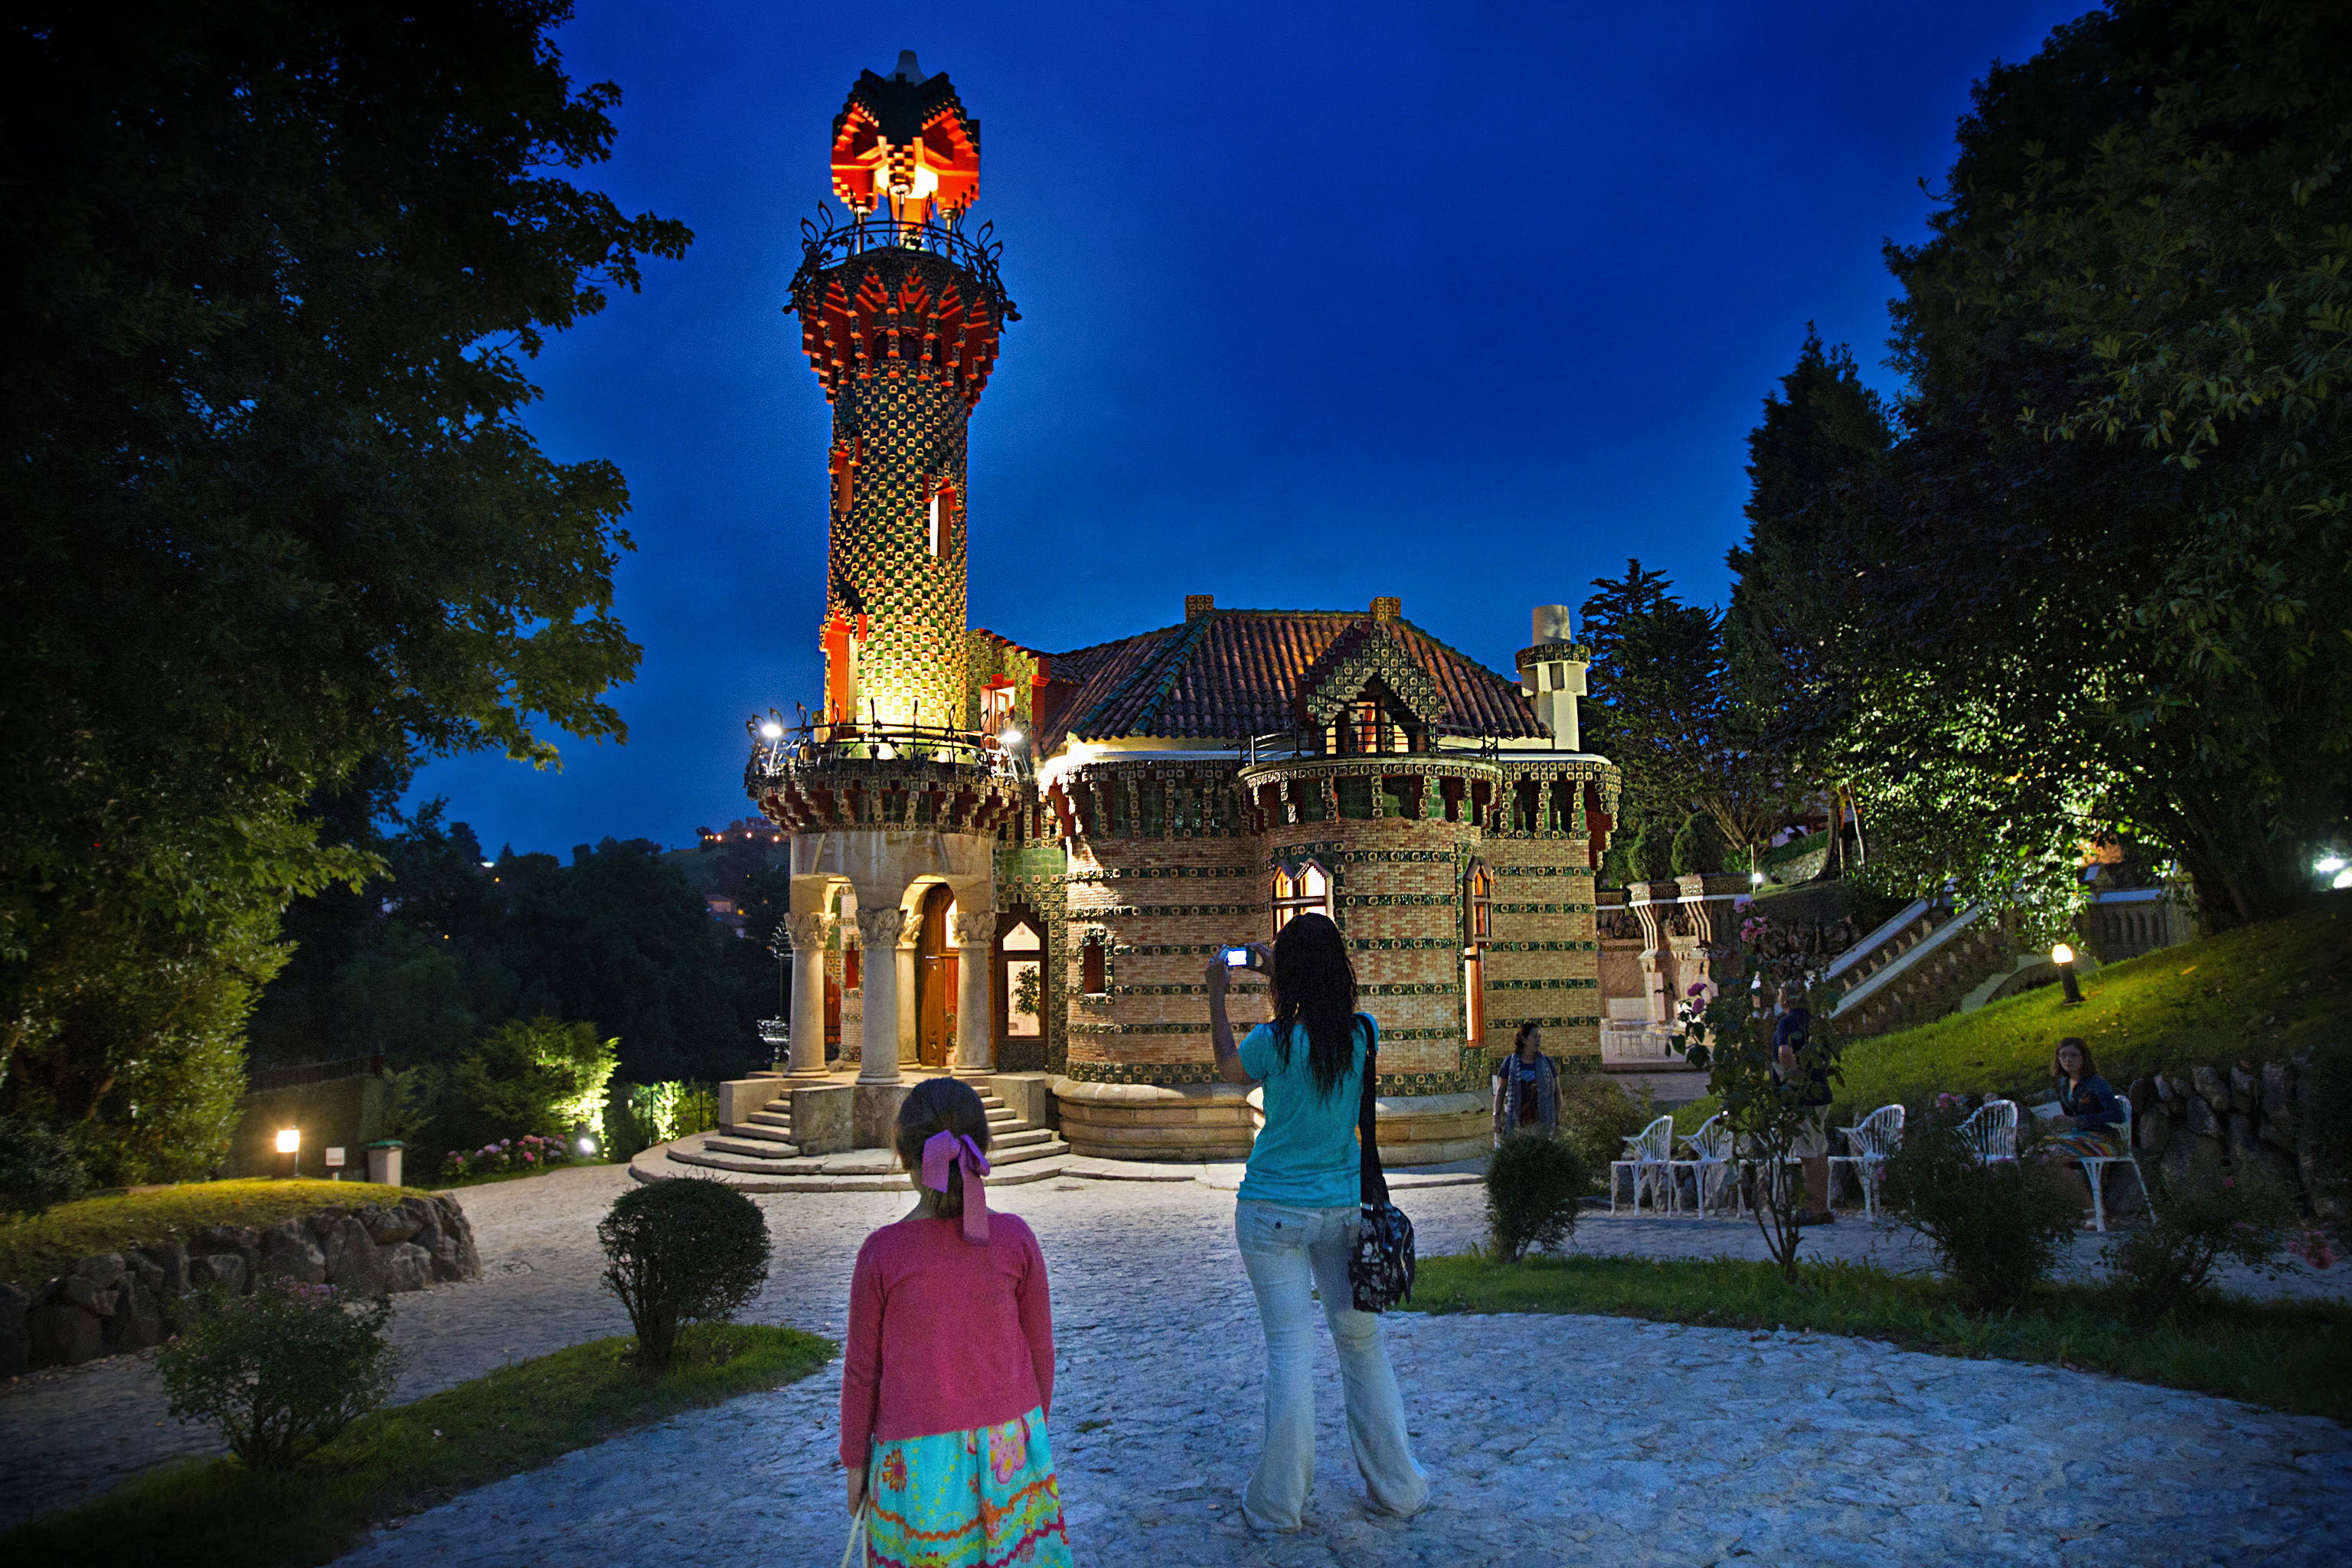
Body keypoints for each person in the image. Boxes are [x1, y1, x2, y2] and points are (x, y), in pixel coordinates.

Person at [1205, 913, 1428, 1531]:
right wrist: (1292, 970)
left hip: (1272, 1211)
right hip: (1344, 1211)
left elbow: (1229, 1068)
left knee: (1290, 1353)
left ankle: (1279, 1504)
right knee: (1363, 1349)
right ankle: (1400, 1488)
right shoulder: (1363, 1034)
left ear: (1291, 974)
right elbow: (1323, 1006)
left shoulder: (1273, 1042)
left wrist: (1218, 996)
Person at [840, 1076, 1072, 1566]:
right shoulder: (1016, 1241)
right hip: (1009, 1449)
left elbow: (862, 1374)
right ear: (984, 1148)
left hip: (914, 1466)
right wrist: (1030, 1430)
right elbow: (1041, 1351)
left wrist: (856, 1463)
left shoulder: (881, 1254)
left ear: (903, 1156)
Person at [1769, 982, 1835, 1224]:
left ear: (1785, 999)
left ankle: (1813, 1208)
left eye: (1779, 994)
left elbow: (1784, 1052)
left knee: (1809, 1153)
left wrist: (1793, 1083)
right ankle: (1822, 1206)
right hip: (1820, 1093)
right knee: (1819, 1150)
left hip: (1803, 1098)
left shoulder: (1787, 1022)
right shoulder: (1814, 1020)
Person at [2037, 1037, 2126, 1161]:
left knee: (2053, 1154)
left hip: (2103, 1138)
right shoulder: (2064, 1082)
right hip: (2077, 1135)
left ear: (2084, 1057)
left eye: (2073, 1055)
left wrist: (2078, 1121)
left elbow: (2117, 1115)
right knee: (2037, 1150)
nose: (2068, 1060)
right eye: (2063, 1055)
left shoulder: (2096, 1083)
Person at [1491, 1021, 1560, 1142]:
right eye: (1534, 1037)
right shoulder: (1510, 1062)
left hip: (1542, 1120)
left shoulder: (1547, 1063)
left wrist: (1557, 1117)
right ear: (1524, 1039)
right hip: (1517, 1120)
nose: (1538, 1040)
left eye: (1540, 1037)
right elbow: (1501, 1090)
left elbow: (1557, 1091)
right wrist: (1496, 1117)